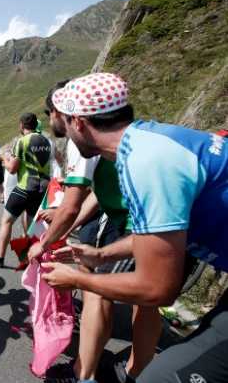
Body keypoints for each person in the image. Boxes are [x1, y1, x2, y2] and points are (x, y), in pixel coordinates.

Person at [37, 72, 228, 382]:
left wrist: (77, 279)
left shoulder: (146, 163)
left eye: (67, 123)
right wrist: (101, 256)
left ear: (79, 123)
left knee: (164, 377)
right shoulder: (142, 143)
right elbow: (156, 236)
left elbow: (157, 289)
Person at [32, 76, 161, 383]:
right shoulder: (124, 137)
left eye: (50, 112)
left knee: (95, 289)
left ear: (69, 116)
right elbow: (95, 197)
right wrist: (73, 229)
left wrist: (45, 243)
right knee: (145, 302)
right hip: (140, 223)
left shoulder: (82, 140)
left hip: (138, 225)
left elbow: (73, 203)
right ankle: (135, 370)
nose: (50, 119)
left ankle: (84, 375)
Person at [0, 112, 51, 268]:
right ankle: (28, 260)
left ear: (22, 125)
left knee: (6, 221)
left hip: (25, 188)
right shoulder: (47, 141)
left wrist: (2, 158)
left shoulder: (22, 141)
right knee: (30, 226)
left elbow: (12, 169)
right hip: (42, 190)